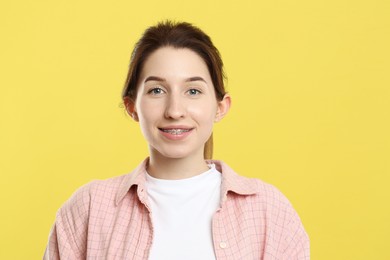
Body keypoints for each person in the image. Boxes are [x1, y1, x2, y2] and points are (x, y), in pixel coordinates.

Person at [44, 20, 310, 260]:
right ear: (132, 107)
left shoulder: (269, 211)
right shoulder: (89, 208)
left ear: (220, 107)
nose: (174, 111)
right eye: (156, 90)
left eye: (193, 91)